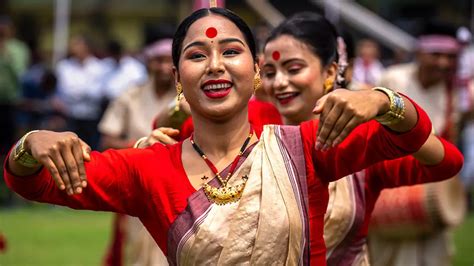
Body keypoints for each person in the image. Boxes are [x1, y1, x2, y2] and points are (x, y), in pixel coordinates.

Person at [5, 8, 435, 265]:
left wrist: (381, 101)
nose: (215, 65)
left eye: (231, 51)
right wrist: (29, 145)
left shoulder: (306, 148)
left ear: (255, 71)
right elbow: (32, 182)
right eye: (197, 55)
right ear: (178, 78)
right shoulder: (147, 166)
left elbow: (411, 136)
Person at [260, 12, 463, 265]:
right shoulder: (254, 138)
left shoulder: (360, 145)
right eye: (269, 72)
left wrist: (384, 101)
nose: (279, 82)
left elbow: (447, 162)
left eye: (293, 69)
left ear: (330, 72)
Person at [369, 21, 466, 266]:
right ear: (420, 52)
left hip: (428, 196)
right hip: (389, 193)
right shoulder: (393, 78)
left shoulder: (453, 92)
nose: (443, 63)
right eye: (436, 55)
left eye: (450, 57)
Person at [99, 39, 175, 266]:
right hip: (135, 183)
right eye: (157, 61)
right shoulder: (129, 96)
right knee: (134, 248)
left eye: (168, 62)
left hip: (175, 183)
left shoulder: (187, 97)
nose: (162, 68)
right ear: (148, 63)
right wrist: (144, 147)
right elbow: (108, 139)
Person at [55, 35, 109, 150]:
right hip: (71, 115)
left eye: (78, 45)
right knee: (70, 148)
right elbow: (65, 91)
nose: (74, 48)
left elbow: (97, 93)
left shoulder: (99, 67)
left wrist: (77, 92)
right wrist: (83, 92)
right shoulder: (65, 66)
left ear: (87, 47)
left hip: (92, 116)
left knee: (92, 149)